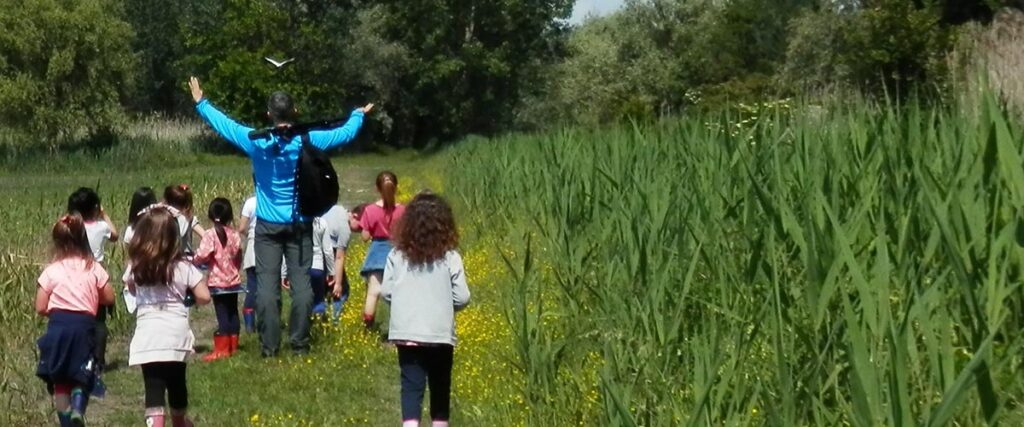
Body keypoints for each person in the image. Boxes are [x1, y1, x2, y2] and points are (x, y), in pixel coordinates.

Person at [189, 76, 373, 356]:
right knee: (301, 288)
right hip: (300, 224)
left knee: (266, 287)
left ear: (269, 115)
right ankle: (299, 344)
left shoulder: (257, 142)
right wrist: (357, 116)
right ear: (295, 112)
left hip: (267, 227)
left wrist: (202, 103)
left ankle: (269, 346)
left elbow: (226, 126)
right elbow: (343, 133)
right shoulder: (308, 140)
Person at [381, 192, 470, 427]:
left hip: (406, 332)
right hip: (440, 334)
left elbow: (387, 292)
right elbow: (462, 296)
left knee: (411, 386)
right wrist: (445, 307)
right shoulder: (450, 257)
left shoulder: (396, 255)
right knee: (440, 386)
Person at [124, 206, 212, 427]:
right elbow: (204, 297)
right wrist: (188, 295)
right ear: (174, 236)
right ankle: (180, 421)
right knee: (176, 382)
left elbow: (132, 289)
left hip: (148, 335)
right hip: (175, 333)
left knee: (153, 388)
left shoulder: (137, 266)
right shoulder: (183, 266)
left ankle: (155, 422)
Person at [35, 213, 115, 427]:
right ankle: (78, 409)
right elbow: (109, 297)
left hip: (58, 326)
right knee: (83, 373)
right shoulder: (93, 267)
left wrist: (56, 311)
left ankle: (66, 422)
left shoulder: (51, 271)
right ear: (83, 239)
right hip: (84, 325)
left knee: (60, 379)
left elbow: (40, 306)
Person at [66, 187, 118, 397]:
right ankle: (97, 361)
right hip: (97, 277)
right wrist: (104, 214)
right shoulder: (101, 226)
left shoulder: (72, 228)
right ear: (95, 208)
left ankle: (79, 359)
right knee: (98, 321)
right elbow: (115, 235)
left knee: (78, 317)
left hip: (74, 277)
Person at [192, 198, 243, 361]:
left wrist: (193, 260)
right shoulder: (234, 235)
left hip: (217, 282)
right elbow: (238, 254)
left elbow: (202, 255)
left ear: (211, 216)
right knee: (233, 311)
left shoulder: (210, 235)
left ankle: (222, 348)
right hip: (233, 280)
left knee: (222, 314)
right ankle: (233, 345)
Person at [360, 171, 405, 328]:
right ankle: (398, 327)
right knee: (397, 293)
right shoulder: (403, 210)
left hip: (377, 252)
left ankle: (368, 327)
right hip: (398, 251)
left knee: (373, 292)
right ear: (396, 187)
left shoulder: (370, 210)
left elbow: (365, 237)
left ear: (377, 188)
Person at [330, 204, 364, 322]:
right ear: (354, 216)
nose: (360, 231)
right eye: (360, 227)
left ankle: (318, 319)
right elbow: (339, 257)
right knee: (342, 291)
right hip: (328, 254)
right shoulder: (345, 230)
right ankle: (335, 321)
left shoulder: (337, 208)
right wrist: (338, 284)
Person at [162, 184, 204, 257]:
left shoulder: (162, 218)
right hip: (186, 258)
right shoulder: (189, 218)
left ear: (166, 202)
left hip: (167, 258)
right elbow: (205, 235)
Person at [237, 195, 258, 332]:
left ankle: (250, 326)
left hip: (254, 244)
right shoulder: (274, 199)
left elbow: (242, 227)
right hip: (274, 246)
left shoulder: (250, 202)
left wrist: (250, 235)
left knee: (252, 285)